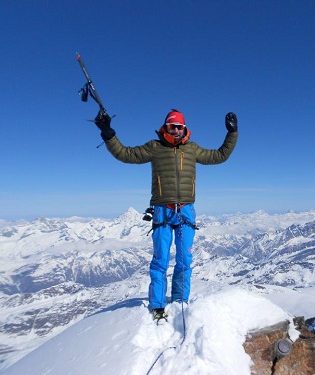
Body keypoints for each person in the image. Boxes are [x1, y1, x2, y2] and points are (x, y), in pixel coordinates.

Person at [94, 108, 238, 322]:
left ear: (185, 128)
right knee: (160, 260)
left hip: (186, 210)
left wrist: (232, 133)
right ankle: (158, 305)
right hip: (162, 210)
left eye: (180, 127)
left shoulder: (192, 149)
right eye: (173, 127)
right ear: (166, 127)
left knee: (184, 259)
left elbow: (219, 156)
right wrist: (108, 132)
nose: (177, 131)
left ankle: (180, 300)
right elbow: (126, 154)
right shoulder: (155, 147)